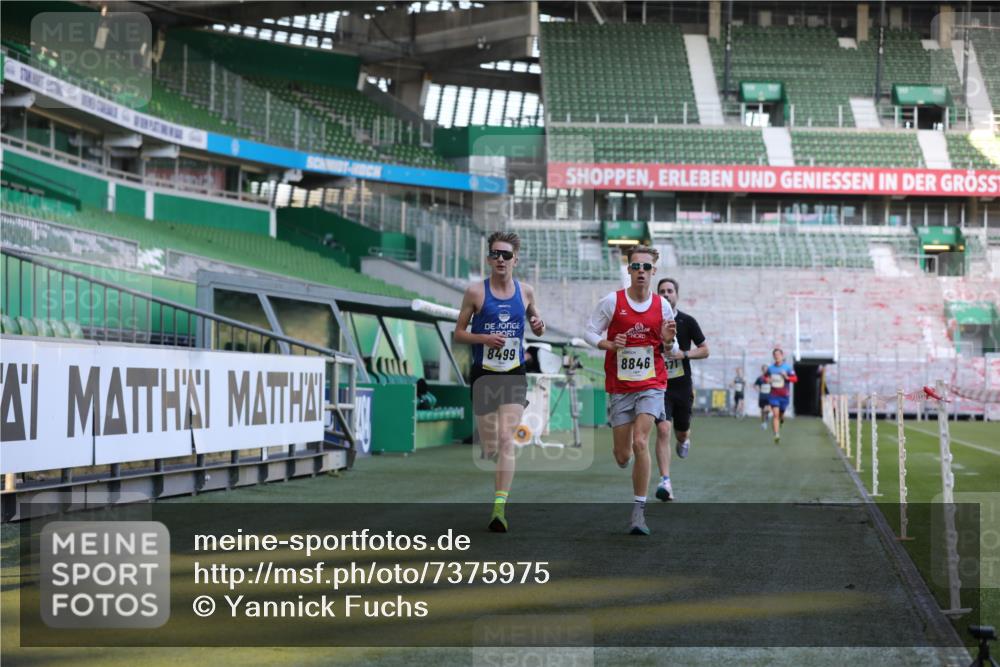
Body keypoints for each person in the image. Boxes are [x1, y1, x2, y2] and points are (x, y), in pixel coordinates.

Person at [454, 231, 545, 532]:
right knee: (491, 446)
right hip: (484, 374)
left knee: (507, 439)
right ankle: (493, 462)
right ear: (489, 258)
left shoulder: (526, 291)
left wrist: (538, 324)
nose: (501, 259)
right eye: (496, 254)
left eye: (506, 255)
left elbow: (537, 324)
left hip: (514, 373)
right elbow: (458, 333)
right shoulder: (475, 293)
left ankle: (499, 508)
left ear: (515, 259)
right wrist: (484, 338)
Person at [585, 246, 677, 534]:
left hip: (652, 384)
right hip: (620, 386)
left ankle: (639, 512)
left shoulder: (662, 306)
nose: (641, 272)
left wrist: (667, 341)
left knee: (641, 442)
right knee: (623, 455)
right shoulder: (612, 302)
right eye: (636, 267)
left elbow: (670, 348)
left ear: (654, 272)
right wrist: (609, 344)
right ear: (628, 270)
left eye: (646, 267)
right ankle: (628, 467)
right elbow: (589, 331)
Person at [652, 278, 708, 502]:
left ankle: (684, 440)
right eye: (662, 291)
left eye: (670, 291)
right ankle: (665, 481)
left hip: (682, 387)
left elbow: (705, 350)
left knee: (681, 431)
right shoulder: (651, 322)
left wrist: (683, 354)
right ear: (657, 296)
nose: (666, 295)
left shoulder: (687, 321)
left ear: (677, 295)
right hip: (659, 386)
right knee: (663, 429)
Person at [765, 348, 797, 445]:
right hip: (774, 395)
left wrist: (786, 377)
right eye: (775, 355)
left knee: (781, 414)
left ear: (782, 356)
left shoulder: (787, 368)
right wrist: (768, 380)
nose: (777, 356)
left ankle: (782, 419)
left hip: (784, 395)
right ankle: (776, 435)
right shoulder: (770, 368)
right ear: (773, 357)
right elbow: (766, 376)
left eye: (778, 354)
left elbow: (795, 379)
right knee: (775, 415)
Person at [753, 364, 771, 430]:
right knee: (762, 411)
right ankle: (764, 423)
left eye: (766, 369)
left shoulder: (770, 378)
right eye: (764, 369)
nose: (765, 370)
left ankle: (767, 417)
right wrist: (757, 389)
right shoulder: (760, 378)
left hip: (769, 397)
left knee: (768, 409)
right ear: (762, 370)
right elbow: (755, 385)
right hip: (762, 397)